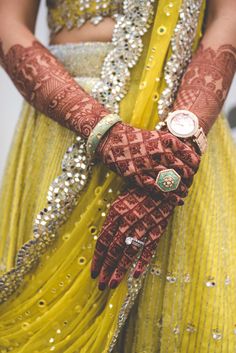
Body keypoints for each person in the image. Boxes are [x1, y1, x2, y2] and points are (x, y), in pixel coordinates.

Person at [0, 0, 235, 352]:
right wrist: (110, 136)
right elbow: (8, 22)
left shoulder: (179, 150)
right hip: (70, 133)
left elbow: (227, 16)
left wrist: (175, 159)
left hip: (184, 135)